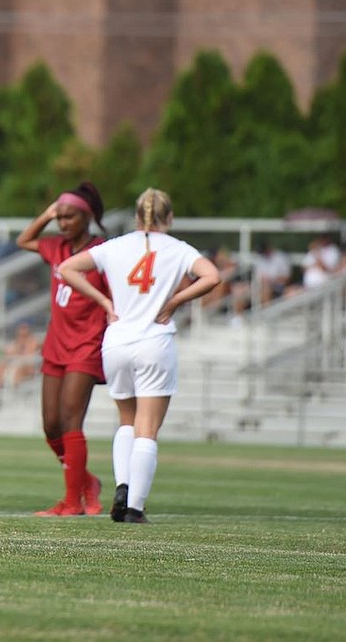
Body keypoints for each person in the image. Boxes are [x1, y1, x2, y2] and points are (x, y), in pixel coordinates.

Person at [59, 187, 219, 524]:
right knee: (147, 427)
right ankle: (134, 506)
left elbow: (68, 268)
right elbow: (212, 276)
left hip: (116, 341)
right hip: (154, 340)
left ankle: (122, 485)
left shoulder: (115, 246)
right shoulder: (179, 250)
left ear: (136, 217)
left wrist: (104, 302)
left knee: (127, 421)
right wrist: (175, 301)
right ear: (169, 218)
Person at [16, 182, 111, 516]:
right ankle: (87, 483)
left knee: (71, 420)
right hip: (56, 344)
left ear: (86, 218)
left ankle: (72, 502)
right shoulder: (56, 247)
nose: (63, 223)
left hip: (86, 343)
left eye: (70, 217)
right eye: (61, 217)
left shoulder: (101, 251)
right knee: (50, 425)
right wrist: (47, 213)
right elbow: (23, 240)